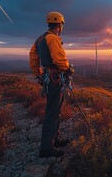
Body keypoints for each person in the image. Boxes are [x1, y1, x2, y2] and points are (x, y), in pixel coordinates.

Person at [29, 11, 75, 158]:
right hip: (55, 79)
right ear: (60, 25)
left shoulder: (40, 39)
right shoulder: (53, 39)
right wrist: (68, 68)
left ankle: (54, 139)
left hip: (48, 79)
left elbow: (33, 57)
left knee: (54, 111)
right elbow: (59, 59)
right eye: (62, 25)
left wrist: (38, 74)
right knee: (52, 113)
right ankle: (47, 148)